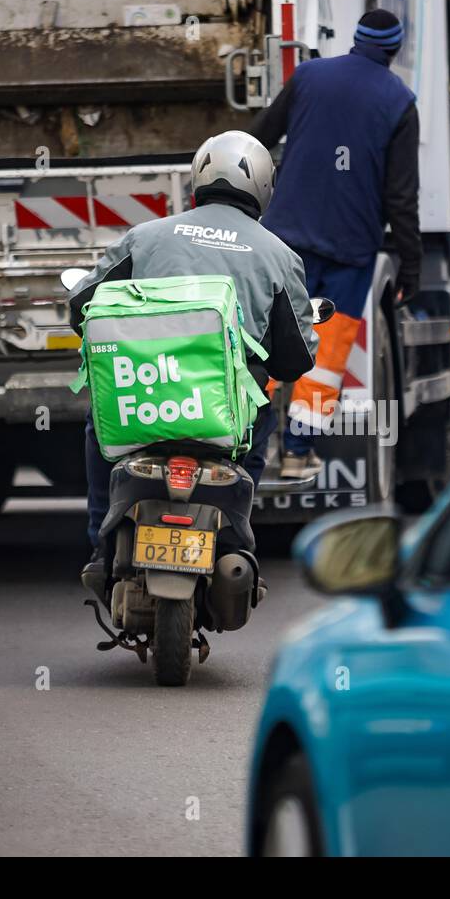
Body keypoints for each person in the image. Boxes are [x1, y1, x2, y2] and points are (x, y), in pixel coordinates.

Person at [69, 131, 317, 577]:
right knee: (263, 421)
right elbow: (295, 359)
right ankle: (234, 532)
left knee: (96, 426)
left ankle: (100, 543)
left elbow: (82, 305)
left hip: (141, 401)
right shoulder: (280, 255)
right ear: (263, 186)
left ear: (197, 178)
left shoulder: (145, 236)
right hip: (226, 417)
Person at [249, 8, 421, 479]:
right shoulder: (400, 101)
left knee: (262, 339)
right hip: (351, 250)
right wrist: (411, 266)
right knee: (325, 355)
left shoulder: (308, 77)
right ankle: (297, 452)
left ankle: (246, 447)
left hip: (285, 240)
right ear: (393, 49)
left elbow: (258, 140)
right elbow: (401, 196)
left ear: (356, 39)